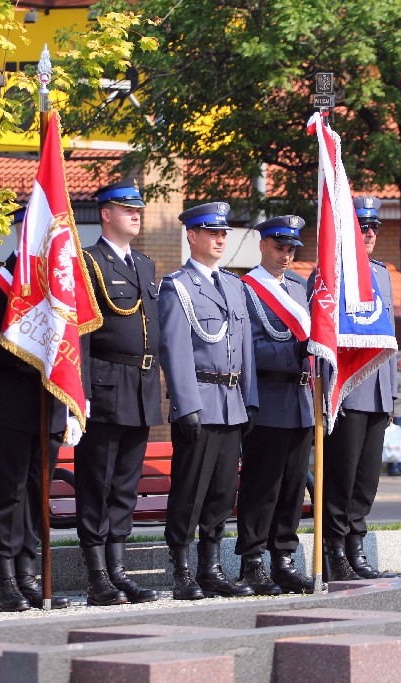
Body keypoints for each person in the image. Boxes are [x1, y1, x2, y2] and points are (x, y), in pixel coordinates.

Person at [0, 207, 75, 613]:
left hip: (49, 403)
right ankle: (5, 579)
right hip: (11, 402)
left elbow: (73, 342)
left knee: (38, 492)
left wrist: (72, 403)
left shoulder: (59, 283)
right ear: (20, 232)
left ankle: (30, 574)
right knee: (9, 492)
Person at [158, 201, 257, 600]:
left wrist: (250, 400)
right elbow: (174, 348)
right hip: (200, 399)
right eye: (212, 233)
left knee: (221, 491)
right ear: (192, 236)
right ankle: (182, 570)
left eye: (223, 234)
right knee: (191, 490)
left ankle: (210, 567)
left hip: (231, 402)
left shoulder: (234, 285)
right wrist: (185, 404)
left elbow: (245, 347)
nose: (219, 240)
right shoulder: (178, 286)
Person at [76, 179, 162, 605]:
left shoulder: (144, 264)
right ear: (106, 214)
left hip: (141, 385)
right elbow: (81, 333)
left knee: (126, 483)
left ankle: (118, 569)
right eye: (128, 209)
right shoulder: (88, 262)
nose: (136, 215)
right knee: (98, 479)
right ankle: (97, 576)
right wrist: (81, 392)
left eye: (139, 209)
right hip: (105, 383)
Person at [314, 196, 398, 581]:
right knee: (341, 478)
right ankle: (335, 551)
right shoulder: (332, 273)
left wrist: (391, 393)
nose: (370, 233)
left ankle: (356, 548)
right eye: (363, 227)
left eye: (374, 227)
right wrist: (329, 390)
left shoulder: (382, 274)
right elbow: (322, 336)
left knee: (366, 481)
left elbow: (387, 337)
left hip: (377, 391)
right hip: (347, 391)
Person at [235, 215, 315, 595]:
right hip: (267, 398)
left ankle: (283, 558)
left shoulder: (298, 288)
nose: (285, 256)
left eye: (291, 250)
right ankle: (252, 560)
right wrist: (294, 352)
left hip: (301, 400)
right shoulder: (246, 288)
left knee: (293, 487)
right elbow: (248, 347)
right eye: (279, 248)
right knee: (262, 486)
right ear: (263, 245)